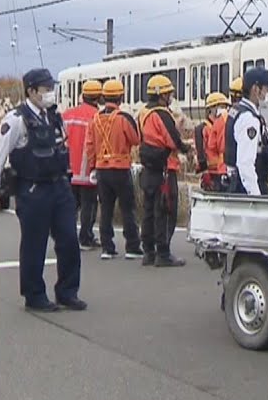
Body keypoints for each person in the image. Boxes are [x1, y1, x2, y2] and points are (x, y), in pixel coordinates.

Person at [0, 68, 86, 312]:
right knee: (34, 244)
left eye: (51, 88)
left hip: (59, 187)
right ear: (31, 91)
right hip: (32, 189)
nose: (50, 93)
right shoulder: (16, 120)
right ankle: (34, 294)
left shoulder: (54, 117)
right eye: (45, 89)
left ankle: (67, 291)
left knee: (69, 240)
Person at [84, 78, 144, 260]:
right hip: (121, 168)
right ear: (120, 97)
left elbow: (90, 146)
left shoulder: (94, 119)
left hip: (102, 169)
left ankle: (107, 248)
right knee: (127, 208)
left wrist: (93, 166)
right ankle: (132, 246)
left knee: (106, 209)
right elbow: (136, 139)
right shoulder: (124, 118)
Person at [138, 74, 191, 267]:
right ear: (161, 95)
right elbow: (173, 140)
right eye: (168, 93)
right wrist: (186, 147)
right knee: (165, 210)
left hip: (148, 168)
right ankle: (163, 253)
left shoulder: (143, 113)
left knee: (149, 210)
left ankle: (149, 252)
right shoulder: (162, 114)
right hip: (164, 169)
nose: (170, 97)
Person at [225, 67, 268, 196]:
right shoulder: (249, 119)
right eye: (267, 90)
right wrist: (255, 197)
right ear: (256, 89)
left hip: (237, 184)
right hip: (246, 188)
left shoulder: (237, 111)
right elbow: (245, 163)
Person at [63, 79, 102, 251]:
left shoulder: (67, 114)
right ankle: (85, 238)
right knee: (89, 206)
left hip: (68, 170)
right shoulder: (98, 117)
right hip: (88, 171)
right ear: (98, 97)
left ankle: (66, 237)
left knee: (70, 207)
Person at [196, 92, 230, 192]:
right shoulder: (202, 128)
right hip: (210, 173)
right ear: (211, 108)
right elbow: (200, 153)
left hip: (221, 170)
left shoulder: (221, 125)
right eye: (221, 106)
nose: (223, 109)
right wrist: (205, 172)